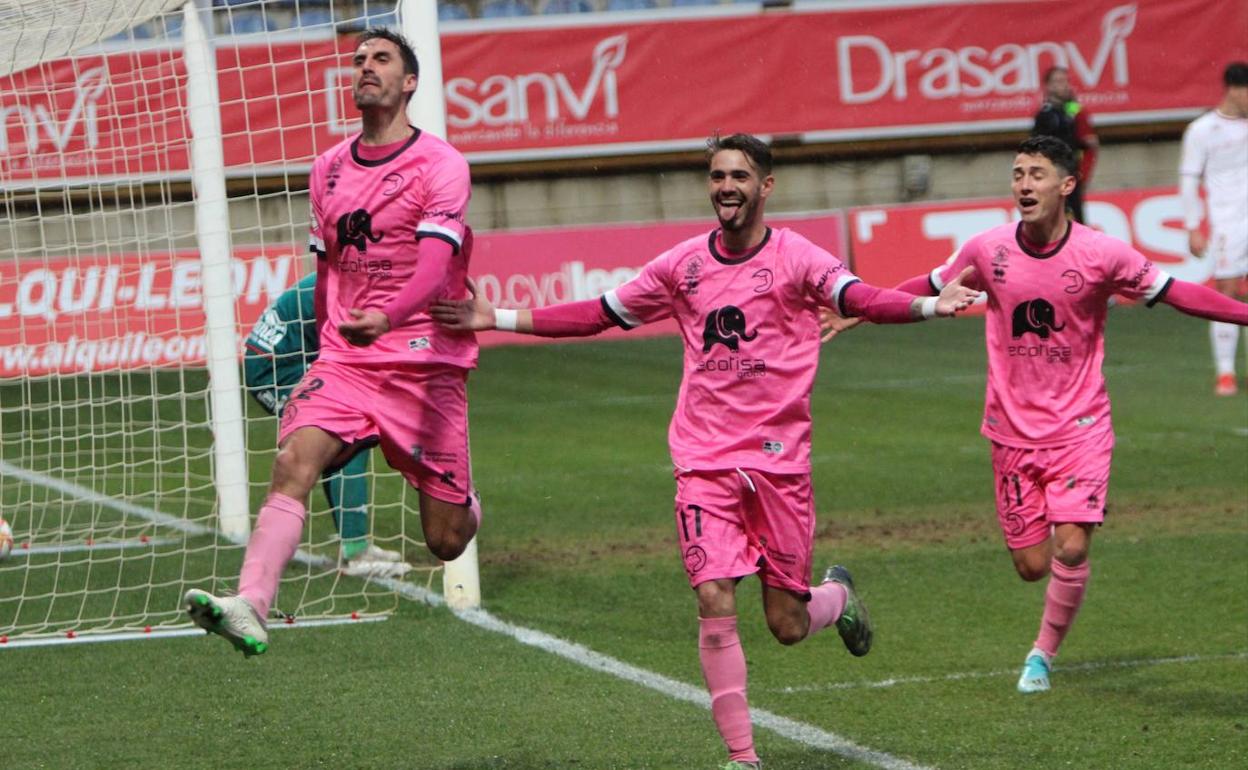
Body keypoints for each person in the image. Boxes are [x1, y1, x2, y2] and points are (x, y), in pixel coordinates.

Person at [433, 133, 980, 770]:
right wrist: (497, 316)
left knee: (787, 623)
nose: (727, 187)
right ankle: (742, 758)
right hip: (703, 463)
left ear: (765, 186)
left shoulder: (798, 258)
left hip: (778, 465)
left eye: (740, 176)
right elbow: (602, 312)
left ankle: (837, 597)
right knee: (714, 596)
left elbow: (856, 297)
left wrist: (925, 305)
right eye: (718, 176)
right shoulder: (682, 265)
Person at [830, 136, 1248, 694]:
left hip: (1081, 426)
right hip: (1011, 430)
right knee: (1032, 565)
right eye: (1018, 173)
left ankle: (1041, 656)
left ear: (1066, 185)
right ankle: (1052, 594)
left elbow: (1178, 292)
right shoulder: (987, 249)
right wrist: (862, 308)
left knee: (1072, 545)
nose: (1024, 184)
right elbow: (931, 288)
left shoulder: (1103, 253)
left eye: (1036, 174)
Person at [184, 28, 481, 657]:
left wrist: (389, 315)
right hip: (349, 362)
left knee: (446, 539)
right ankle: (250, 605)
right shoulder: (329, 168)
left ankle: (466, 499)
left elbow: (432, 268)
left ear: (409, 83)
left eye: (381, 60)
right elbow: (327, 270)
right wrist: (329, 342)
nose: (365, 68)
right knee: (293, 462)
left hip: (425, 365)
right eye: (358, 61)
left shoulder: (441, 165)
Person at [243, 272, 411, 580]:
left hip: (285, 358)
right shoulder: (355, 287)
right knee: (348, 430)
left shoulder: (358, 277)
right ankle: (356, 553)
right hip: (274, 368)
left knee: (337, 443)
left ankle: (350, 545)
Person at [1180, 61, 1248, 396]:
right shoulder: (1202, 130)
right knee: (1227, 291)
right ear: (1234, 89)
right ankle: (1225, 372)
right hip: (1227, 223)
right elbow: (1189, 178)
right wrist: (1193, 226)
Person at [1032, 66, 1098, 223]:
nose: (1063, 85)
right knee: (1057, 218)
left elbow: (1086, 143)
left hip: (1070, 174)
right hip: (1054, 176)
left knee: (1076, 219)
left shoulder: (1072, 112)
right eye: (1058, 81)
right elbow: (1038, 146)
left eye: (1065, 81)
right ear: (1048, 86)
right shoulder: (1044, 115)